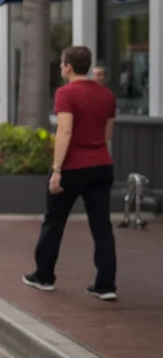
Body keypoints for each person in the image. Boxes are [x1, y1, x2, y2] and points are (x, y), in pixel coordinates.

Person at [24, 46, 118, 301]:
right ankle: (106, 284)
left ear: (67, 66)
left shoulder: (65, 94)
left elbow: (64, 132)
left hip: (73, 167)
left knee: (54, 221)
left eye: (62, 64)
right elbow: (107, 135)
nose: (61, 68)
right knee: (102, 225)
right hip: (101, 165)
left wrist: (56, 170)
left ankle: (44, 276)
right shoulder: (107, 95)